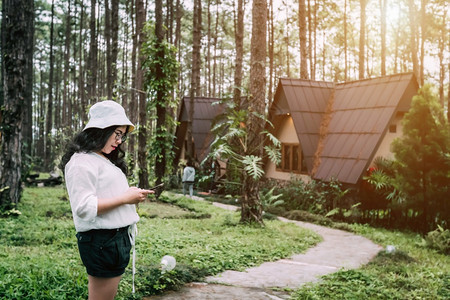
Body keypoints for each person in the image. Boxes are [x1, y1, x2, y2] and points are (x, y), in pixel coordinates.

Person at [61, 100, 153, 300]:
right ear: (101, 130)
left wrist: (131, 196)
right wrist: (124, 198)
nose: (119, 141)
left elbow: (108, 195)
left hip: (114, 239)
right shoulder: (81, 161)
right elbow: (84, 207)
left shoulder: (102, 159)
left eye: (122, 136)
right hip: (103, 241)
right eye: (117, 134)